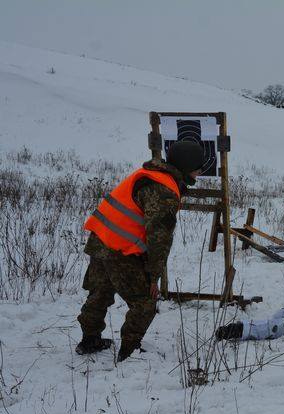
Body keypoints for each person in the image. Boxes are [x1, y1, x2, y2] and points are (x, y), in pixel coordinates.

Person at [75, 141, 207, 361]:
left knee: (100, 292)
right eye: (197, 166)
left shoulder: (149, 173)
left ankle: (90, 339)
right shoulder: (164, 191)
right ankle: (130, 351)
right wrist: (153, 276)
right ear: (186, 166)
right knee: (145, 301)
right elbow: (159, 240)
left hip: (100, 239)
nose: (200, 171)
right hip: (119, 250)